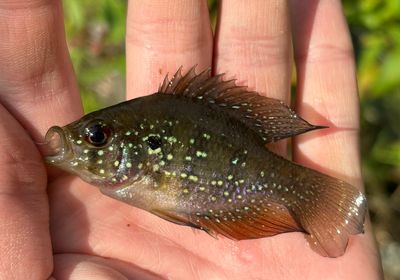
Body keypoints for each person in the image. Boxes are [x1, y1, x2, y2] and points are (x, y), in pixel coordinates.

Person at [0, 1, 382, 279]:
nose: (85, 142)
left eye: (97, 137)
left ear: (140, 146)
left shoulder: (143, 172)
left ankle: (317, 201)